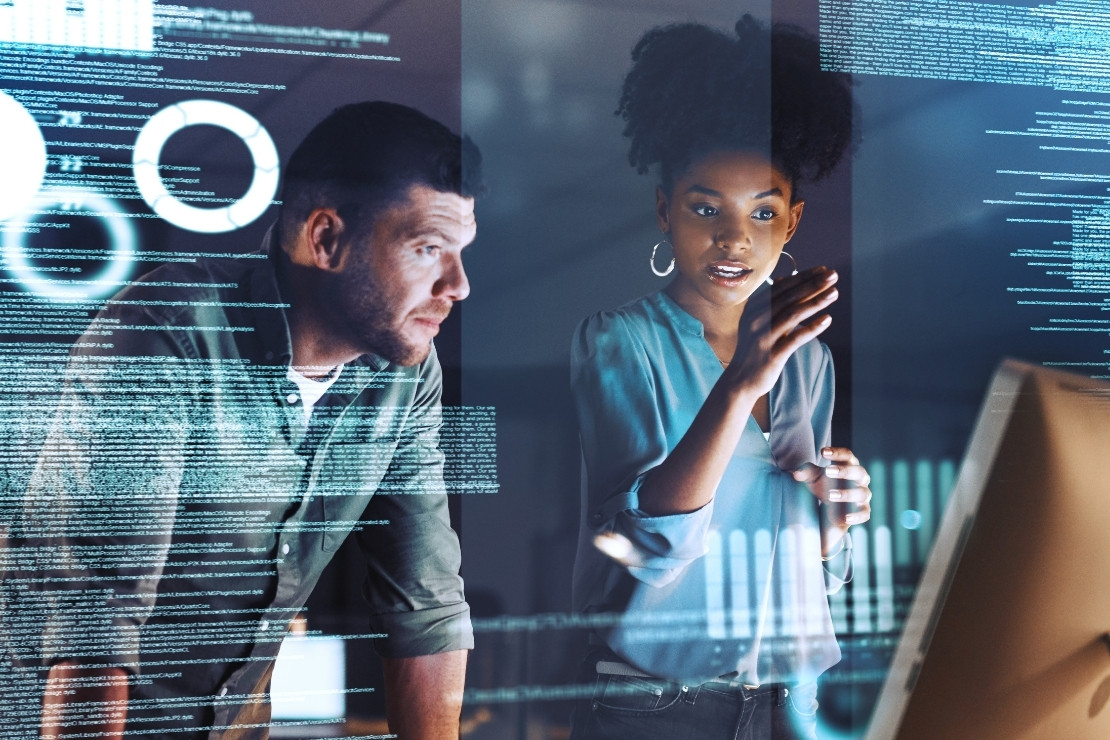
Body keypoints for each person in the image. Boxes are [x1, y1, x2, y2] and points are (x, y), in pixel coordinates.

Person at [3, 101, 481, 739]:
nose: (458, 284)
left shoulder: (406, 374)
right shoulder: (161, 335)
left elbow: (427, 610)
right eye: (428, 248)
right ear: (327, 240)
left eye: (460, 252)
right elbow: (93, 630)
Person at [569, 16, 871, 740]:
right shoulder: (619, 341)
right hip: (656, 707)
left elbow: (811, 572)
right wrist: (738, 385)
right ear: (664, 210)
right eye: (706, 208)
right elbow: (645, 551)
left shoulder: (810, 360)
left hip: (790, 704)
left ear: (790, 224)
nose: (735, 238)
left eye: (763, 211)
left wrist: (833, 523)